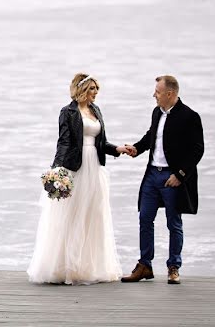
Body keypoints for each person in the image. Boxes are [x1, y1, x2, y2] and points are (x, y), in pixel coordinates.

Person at [27, 73, 132, 284]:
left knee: (94, 214)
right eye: (92, 89)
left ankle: (89, 267)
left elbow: (101, 142)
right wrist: (57, 170)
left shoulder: (96, 110)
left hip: (95, 166)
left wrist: (117, 149)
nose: (95, 93)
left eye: (96, 89)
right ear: (81, 90)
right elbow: (63, 142)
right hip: (76, 166)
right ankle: (66, 267)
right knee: (72, 215)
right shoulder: (68, 112)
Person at [121, 75, 204, 285]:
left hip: (171, 177)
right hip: (151, 175)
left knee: (173, 223)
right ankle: (145, 266)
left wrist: (180, 175)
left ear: (170, 93)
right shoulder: (157, 112)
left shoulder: (190, 116)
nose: (154, 95)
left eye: (157, 92)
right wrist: (137, 149)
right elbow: (152, 136)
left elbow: (197, 150)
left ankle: (173, 267)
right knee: (145, 219)